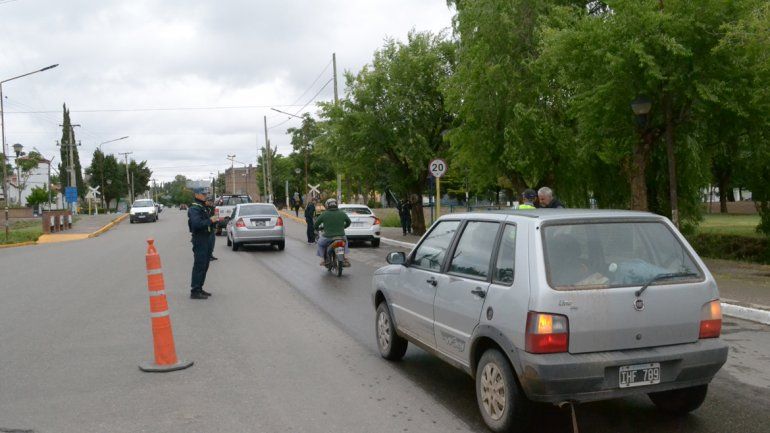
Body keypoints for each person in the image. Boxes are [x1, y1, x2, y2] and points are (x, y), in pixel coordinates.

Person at [188, 187, 217, 300]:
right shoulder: (194, 208)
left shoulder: (203, 207)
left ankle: (199, 288)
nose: (205, 196)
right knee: (199, 265)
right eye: (203, 194)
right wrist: (211, 220)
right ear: (197, 195)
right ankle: (195, 291)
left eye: (206, 194)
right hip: (200, 239)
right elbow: (197, 224)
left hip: (207, 237)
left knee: (205, 264)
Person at [314, 198, 352, 266]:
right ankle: (345, 257)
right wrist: (344, 226)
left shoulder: (324, 214)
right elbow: (349, 222)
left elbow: (316, 224)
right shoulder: (342, 213)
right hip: (341, 236)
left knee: (319, 243)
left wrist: (317, 228)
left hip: (328, 237)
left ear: (327, 206)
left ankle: (323, 259)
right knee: (345, 242)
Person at [205, 196, 218, 261]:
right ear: (206, 201)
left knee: (212, 242)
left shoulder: (212, 208)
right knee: (208, 242)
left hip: (212, 227)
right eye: (209, 201)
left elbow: (215, 217)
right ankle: (208, 256)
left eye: (211, 201)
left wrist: (215, 227)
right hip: (206, 227)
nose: (210, 202)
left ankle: (211, 254)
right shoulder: (204, 208)